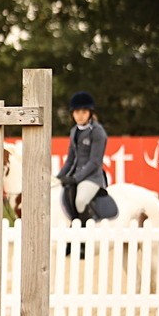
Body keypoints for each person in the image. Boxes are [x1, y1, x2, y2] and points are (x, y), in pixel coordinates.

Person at [55, 91, 109, 223]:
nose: (79, 116)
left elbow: (95, 162)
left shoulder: (97, 132)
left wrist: (75, 178)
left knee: (80, 201)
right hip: (75, 176)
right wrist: (59, 177)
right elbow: (70, 160)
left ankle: (84, 238)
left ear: (90, 113)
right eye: (76, 112)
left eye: (83, 112)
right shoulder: (74, 131)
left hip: (92, 178)